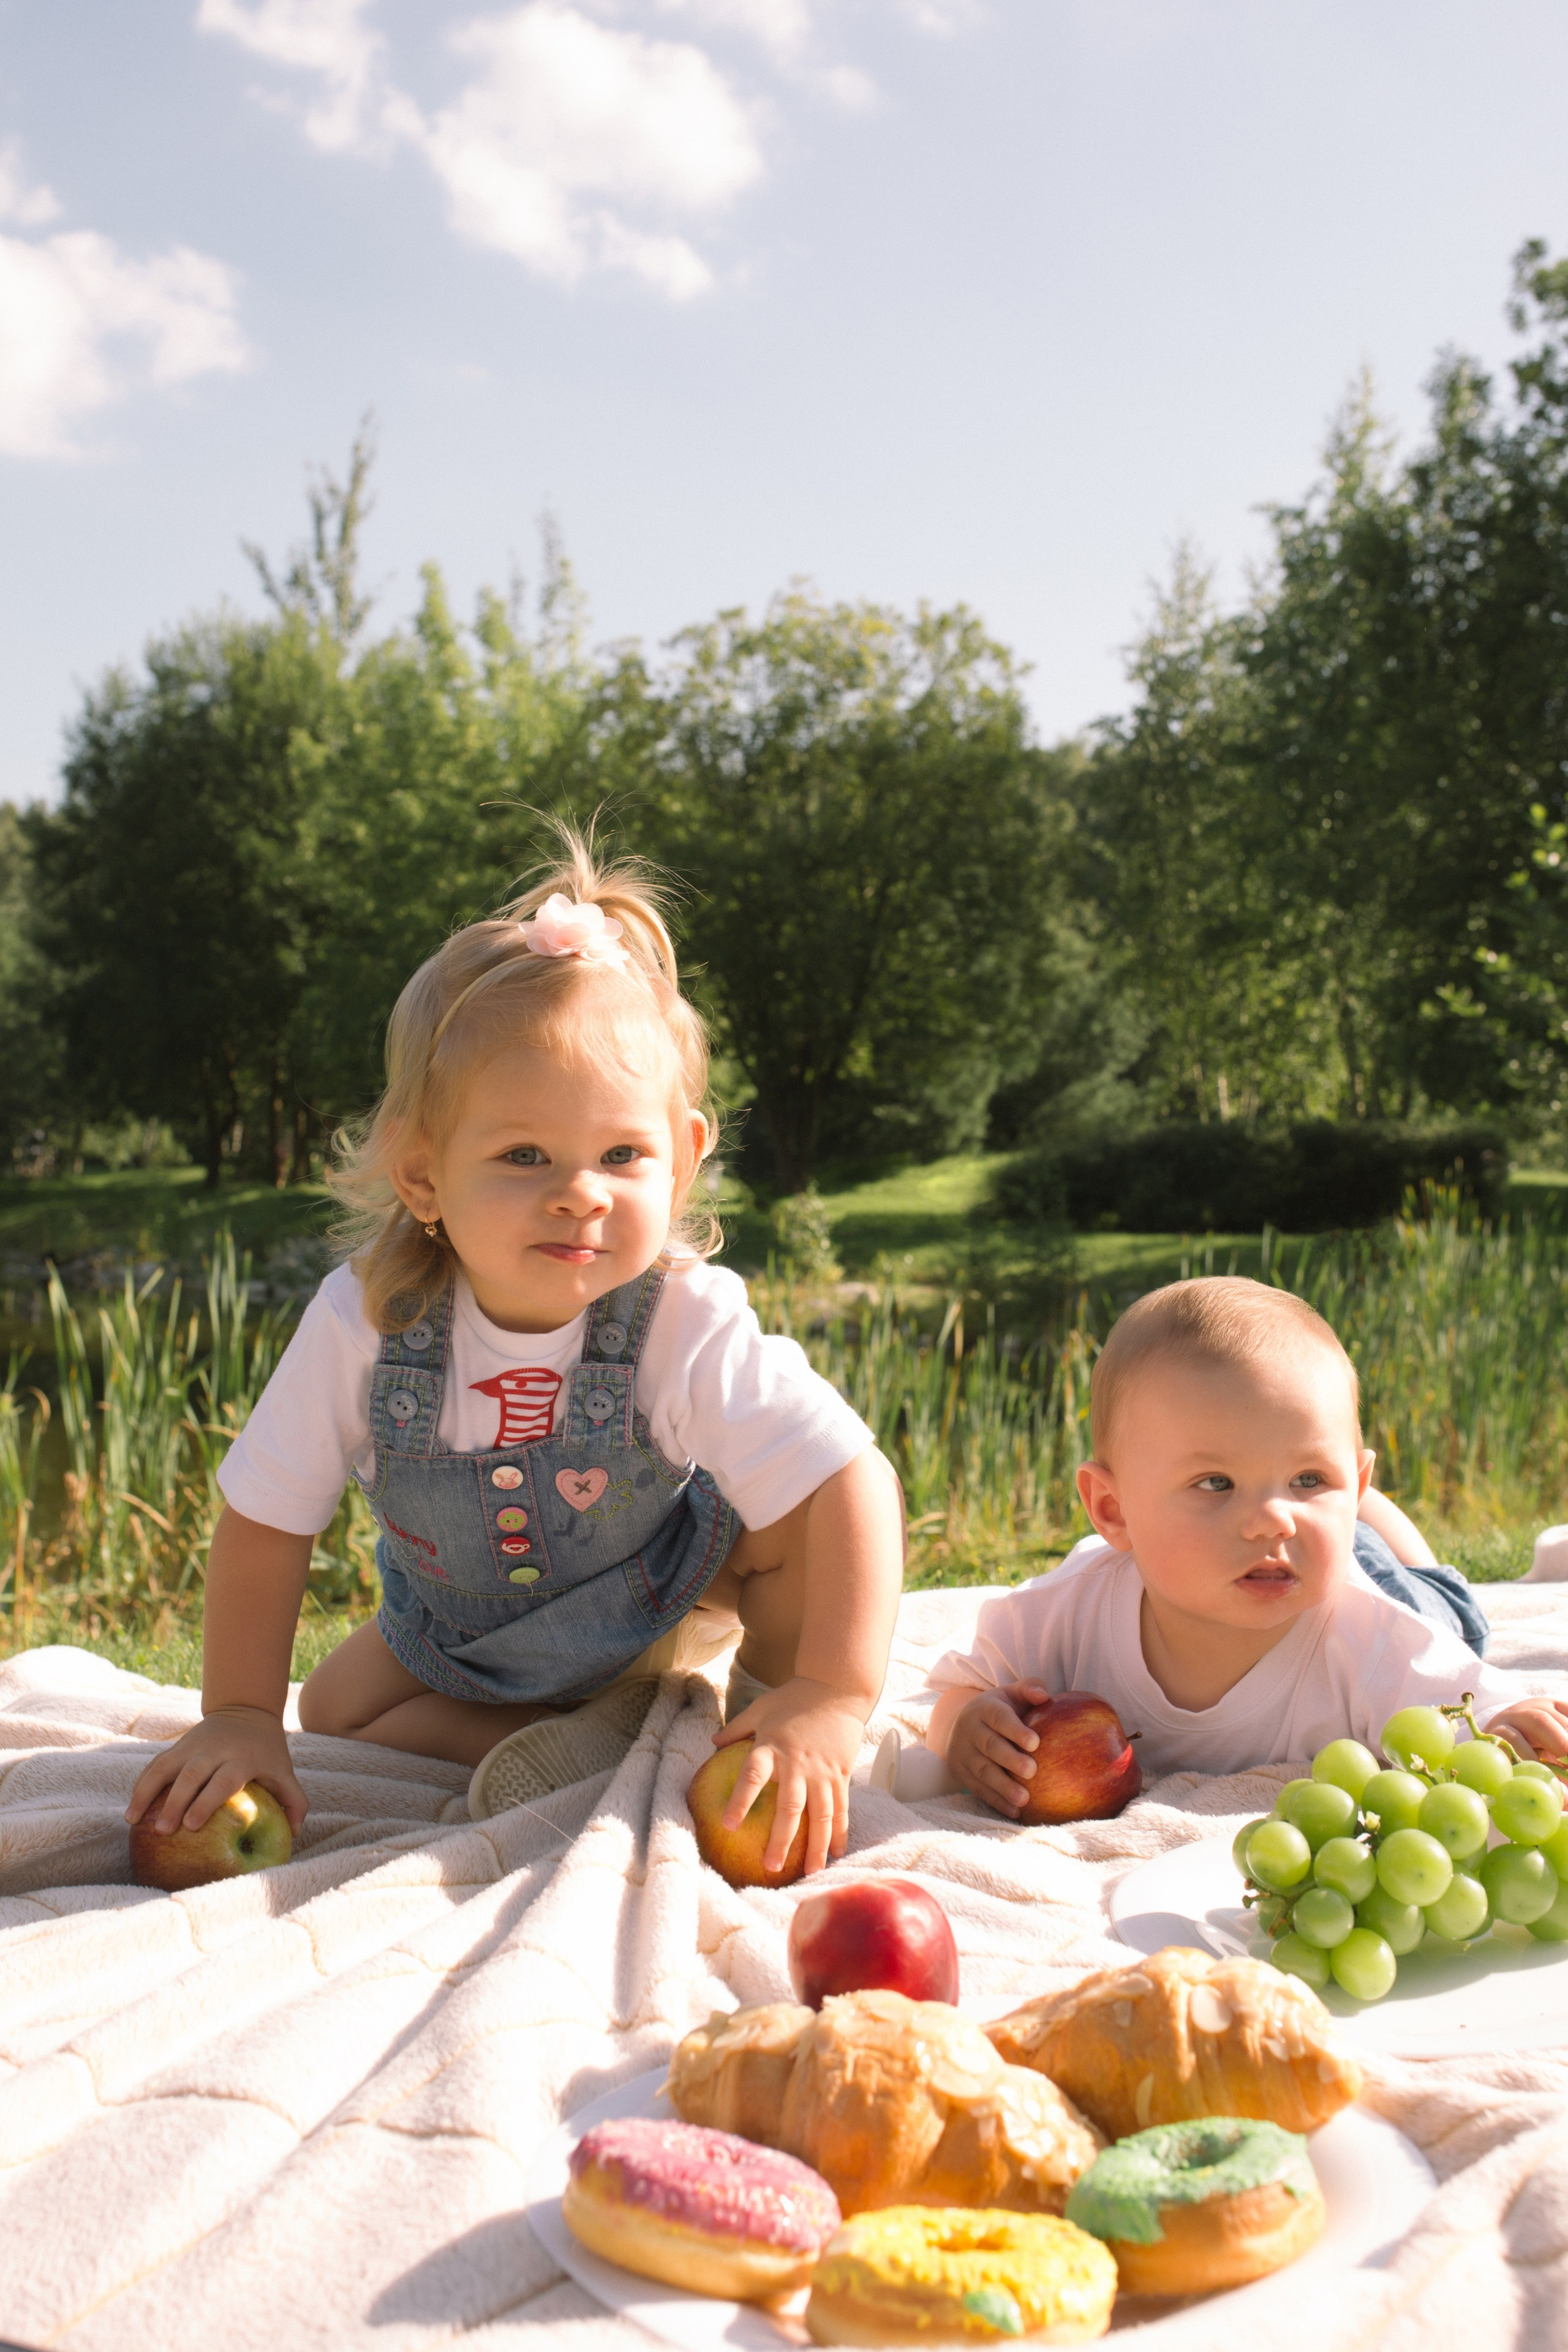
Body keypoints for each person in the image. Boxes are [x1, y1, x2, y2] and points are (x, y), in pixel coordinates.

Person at [126, 837, 905, 1875]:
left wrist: (835, 1694)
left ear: (684, 1161)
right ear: (422, 1174)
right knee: (330, 1708)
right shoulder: (368, 1323)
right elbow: (266, 1522)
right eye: (524, 1155)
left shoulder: (682, 1320)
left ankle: (762, 1734)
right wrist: (235, 1714)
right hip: (464, 1645)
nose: (580, 1190)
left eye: (623, 1155)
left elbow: (853, 1473)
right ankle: (575, 1742)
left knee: (798, 1521)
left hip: (655, 1602)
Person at [919, 1277, 1568, 1814]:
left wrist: (1510, 1724)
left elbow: (1470, 1717)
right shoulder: (1063, 1614)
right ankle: (1348, 1500)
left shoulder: (1376, 1640)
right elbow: (955, 1694)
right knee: (1334, 1536)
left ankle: (1369, 1516)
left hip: (1380, 1588)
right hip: (1317, 1557)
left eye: (1307, 1479)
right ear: (1112, 1511)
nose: (1271, 1520)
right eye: (1215, 1483)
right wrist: (968, 1732)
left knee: (1434, 1596)